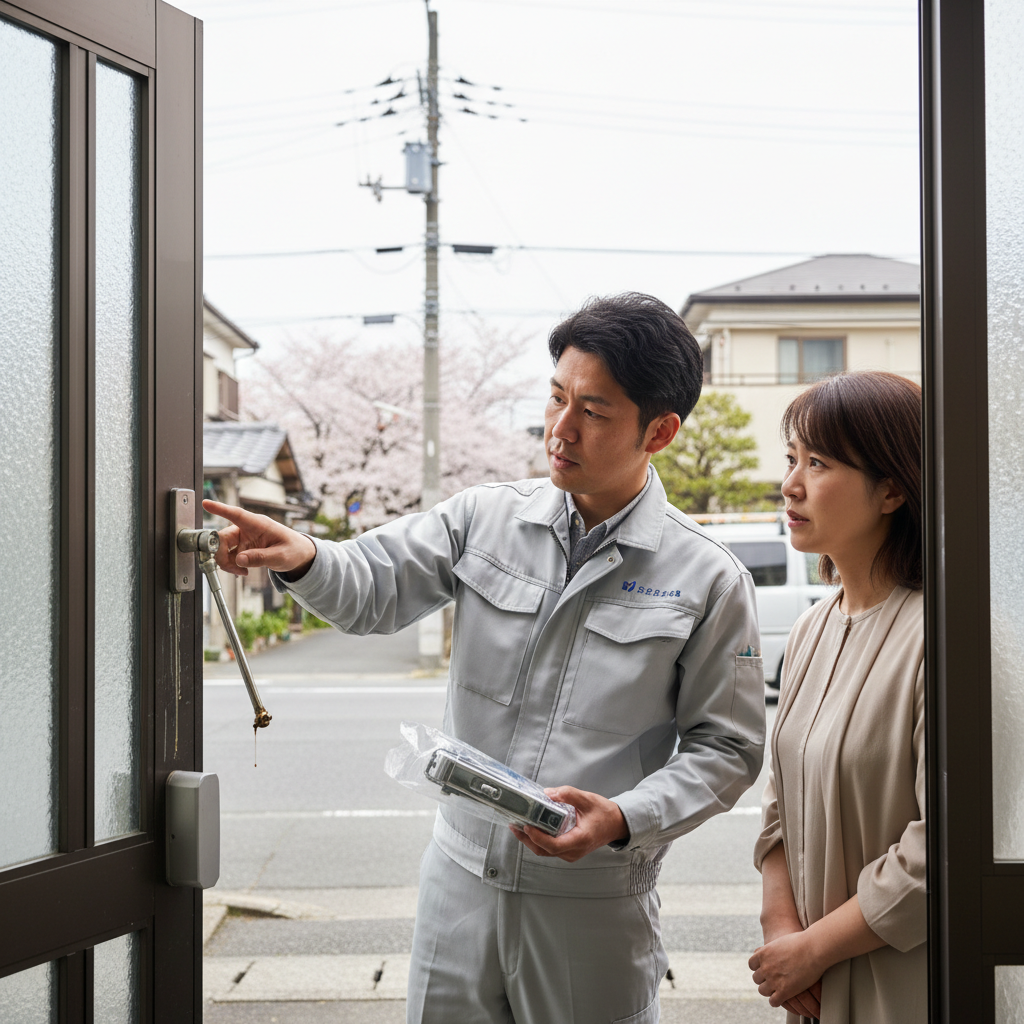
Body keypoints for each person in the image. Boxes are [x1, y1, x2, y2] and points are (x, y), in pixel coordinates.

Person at [205, 292, 766, 1024]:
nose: (560, 429)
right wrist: (303, 555)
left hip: (593, 900)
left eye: (593, 412)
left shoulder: (708, 576)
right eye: (557, 398)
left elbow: (728, 747)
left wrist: (623, 817)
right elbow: (372, 585)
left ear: (659, 431)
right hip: (459, 880)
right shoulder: (485, 518)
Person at [748, 371, 925, 1024]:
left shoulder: (945, 637)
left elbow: (945, 847)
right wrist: (780, 930)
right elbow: (779, 804)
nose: (790, 485)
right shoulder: (811, 628)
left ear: (893, 489)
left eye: (818, 463)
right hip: (811, 983)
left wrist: (814, 948)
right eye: (791, 459)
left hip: (903, 984)